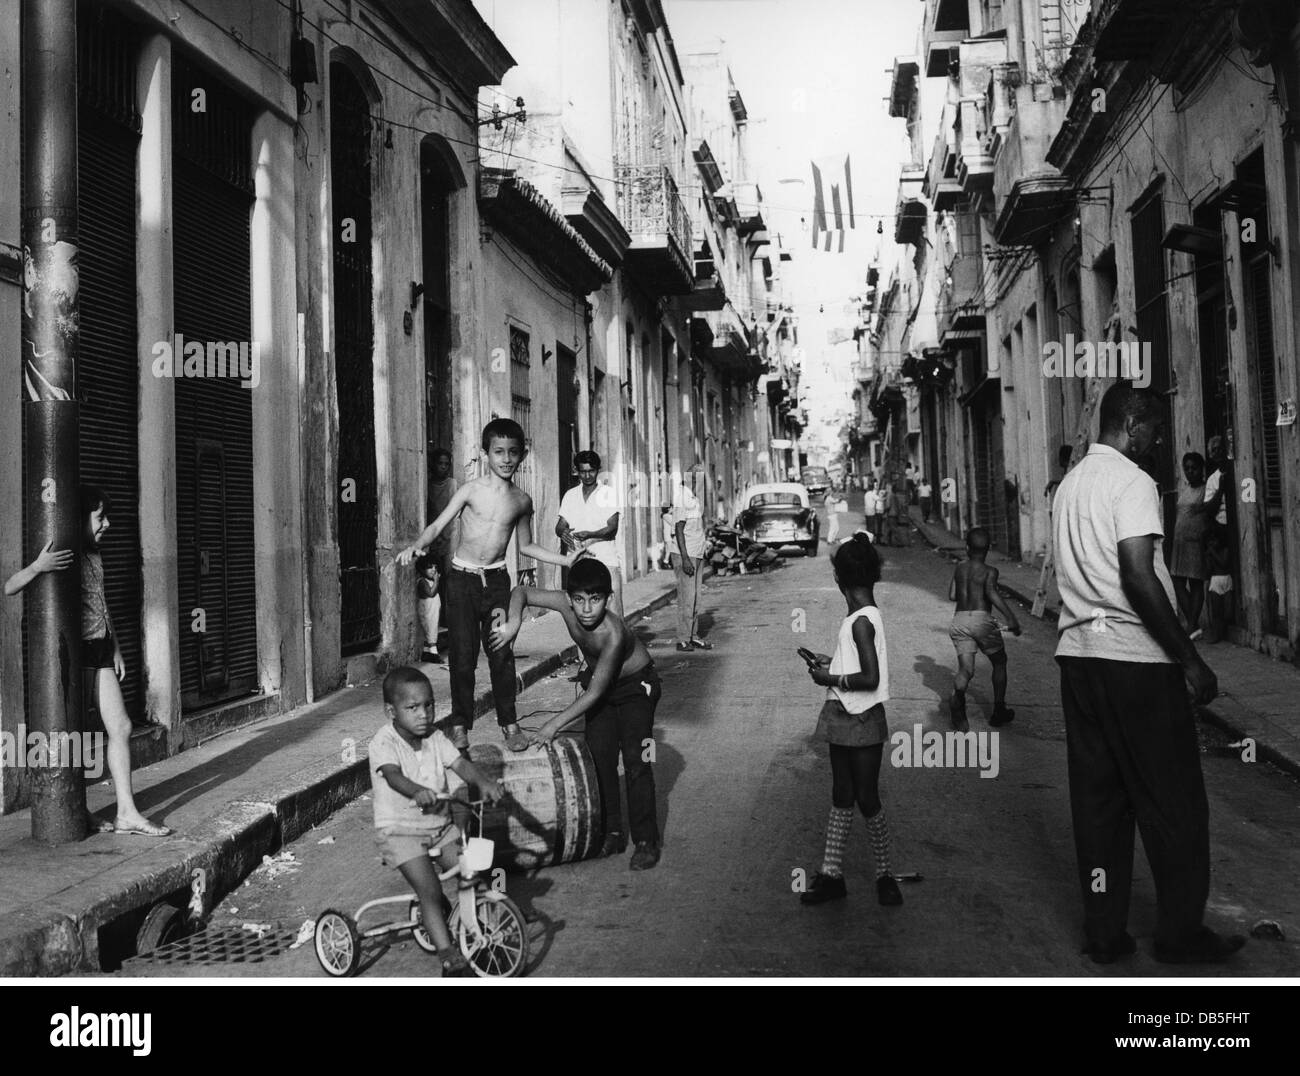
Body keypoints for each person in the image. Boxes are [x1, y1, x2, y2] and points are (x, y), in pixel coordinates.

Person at [1053, 382, 1243, 965]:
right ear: (1131, 423)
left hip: (1080, 657)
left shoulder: (1070, 485)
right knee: (1175, 802)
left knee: (1100, 806)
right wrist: (1190, 660)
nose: (1158, 440)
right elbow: (1137, 575)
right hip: (1134, 662)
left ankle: (1105, 933)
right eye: (1154, 429)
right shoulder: (1131, 482)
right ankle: (1180, 933)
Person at [396, 418, 575, 753]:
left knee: (501, 654)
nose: (506, 459)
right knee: (463, 658)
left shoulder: (522, 500)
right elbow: (438, 524)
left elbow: (525, 547)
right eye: (498, 452)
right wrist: (417, 544)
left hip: (495, 583)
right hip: (462, 583)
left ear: (522, 455)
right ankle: (460, 725)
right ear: (486, 454)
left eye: (512, 452)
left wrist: (564, 561)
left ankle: (509, 723)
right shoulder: (470, 490)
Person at [4, 486, 171, 835]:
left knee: (121, 727)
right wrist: (38, 566)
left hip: (100, 650)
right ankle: (79, 811)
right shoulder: (62, 555)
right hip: (73, 654)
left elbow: (102, 604)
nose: (107, 524)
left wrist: (118, 648)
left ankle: (127, 812)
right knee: (75, 737)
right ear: (80, 519)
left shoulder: (95, 555)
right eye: (100, 517)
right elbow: (9, 587)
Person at [490, 558, 663, 870]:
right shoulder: (563, 603)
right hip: (601, 684)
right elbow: (520, 591)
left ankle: (646, 840)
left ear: (608, 599)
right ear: (569, 598)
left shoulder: (613, 632)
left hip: (636, 688)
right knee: (600, 757)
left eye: (595, 600)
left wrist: (553, 725)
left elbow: (595, 692)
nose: (586, 609)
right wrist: (513, 623)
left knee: (638, 762)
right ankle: (611, 832)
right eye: (580, 600)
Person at [369, 666, 505, 977]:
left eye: (428, 705)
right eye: (412, 708)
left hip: (439, 827)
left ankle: (484, 922)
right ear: (391, 710)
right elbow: (392, 776)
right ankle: (448, 955)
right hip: (400, 831)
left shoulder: (435, 737)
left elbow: (459, 763)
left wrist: (483, 782)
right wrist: (417, 791)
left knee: (469, 870)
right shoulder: (383, 742)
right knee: (430, 892)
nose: (423, 714)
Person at [799, 534, 902, 908]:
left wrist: (830, 678)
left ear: (838, 579)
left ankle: (884, 875)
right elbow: (859, 666)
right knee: (844, 795)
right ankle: (832, 874)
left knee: (863, 796)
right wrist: (835, 664)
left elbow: (870, 679)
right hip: (846, 715)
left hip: (858, 717)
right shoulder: (865, 617)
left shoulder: (860, 622)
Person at [947, 527, 1022, 731]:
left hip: (960, 620)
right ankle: (999, 710)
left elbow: (953, 595)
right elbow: (991, 592)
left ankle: (958, 698)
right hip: (981, 620)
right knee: (999, 662)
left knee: (966, 669)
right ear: (988, 549)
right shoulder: (990, 571)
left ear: (967, 547)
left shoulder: (960, 568)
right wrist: (1010, 616)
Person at [556, 450, 623, 615]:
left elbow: (612, 528)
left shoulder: (608, 494)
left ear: (598, 470)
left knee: (612, 609)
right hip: (578, 560)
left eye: (591, 471)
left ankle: (618, 641)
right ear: (577, 471)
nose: (587, 476)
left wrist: (590, 534)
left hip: (605, 560)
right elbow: (560, 525)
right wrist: (562, 533)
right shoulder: (571, 495)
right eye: (583, 471)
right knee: (582, 611)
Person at [669, 462, 712, 652]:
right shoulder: (681, 497)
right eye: (697, 477)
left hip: (697, 552)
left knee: (696, 598)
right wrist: (685, 559)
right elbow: (678, 529)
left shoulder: (693, 497)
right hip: (685, 554)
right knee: (686, 598)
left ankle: (693, 636)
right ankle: (682, 639)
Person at [1170, 452, 1209, 639]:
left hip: (1194, 542)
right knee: (1177, 582)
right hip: (1180, 543)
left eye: (1194, 468)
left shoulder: (1205, 489)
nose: (1190, 472)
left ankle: (1192, 626)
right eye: (1187, 468)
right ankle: (1193, 625)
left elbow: (1209, 513)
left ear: (1201, 469)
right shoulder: (1185, 489)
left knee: (1195, 583)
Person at [1204, 529, 1234, 644]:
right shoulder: (1210, 553)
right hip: (1215, 581)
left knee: (1227, 610)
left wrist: (1212, 553)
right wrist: (1208, 558)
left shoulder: (1225, 551)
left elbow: (1224, 563)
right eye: (1210, 542)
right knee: (1216, 611)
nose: (1212, 544)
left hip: (1226, 579)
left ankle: (1223, 633)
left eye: (1214, 541)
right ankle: (1216, 635)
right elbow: (1208, 571)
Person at [416, 552, 444, 664]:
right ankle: (434, 653)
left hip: (433, 611)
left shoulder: (430, 581)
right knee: (430, 630)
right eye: (429, 567)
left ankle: (426, 652)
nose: (433, 570)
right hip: (427, 611)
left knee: (432, 629)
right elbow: (431, 593)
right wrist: (437, 580)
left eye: (435, 568)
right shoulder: (422, 581)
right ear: (422, 569)